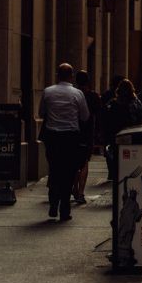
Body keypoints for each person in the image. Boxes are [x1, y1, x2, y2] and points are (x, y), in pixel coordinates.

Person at [38, 63, 90, 222]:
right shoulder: (78, 94)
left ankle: (53, 204)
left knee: (54, 170)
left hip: (52, 137)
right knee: (68, 173)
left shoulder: (48, 92)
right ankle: (65, 210)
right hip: (70, 138)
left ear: (57, 75)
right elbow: (85, 116)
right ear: (71, 75)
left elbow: (41, 113)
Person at [103, 79, 142, 180]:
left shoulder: (112, 103)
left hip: (115, 135)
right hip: (132, 135)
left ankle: (114, 173)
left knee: (115, 155)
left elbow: (106, 120)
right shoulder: (136, 103)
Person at [72, 70, 101, 205]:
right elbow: (98, 115)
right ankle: (81, 192)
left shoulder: (74, 95)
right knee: (84, 163)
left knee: (73, 162)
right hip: (87, 132)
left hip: (73, 131)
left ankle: (75, 188)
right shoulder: (94, 96)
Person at [101, 74, 126, 180]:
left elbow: (102, 112)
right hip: (122, 128)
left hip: (110, 129)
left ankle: (111, 171)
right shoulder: (127, 97)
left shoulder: (107, 95)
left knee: (109, 149)